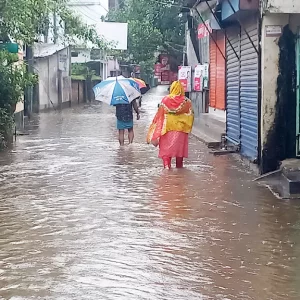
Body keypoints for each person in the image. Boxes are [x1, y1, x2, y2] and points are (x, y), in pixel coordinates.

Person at [147, 81, 194, 169]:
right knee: (179, 152)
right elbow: (191, 116)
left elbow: (159, 114)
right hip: (181, 129)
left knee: (166, 150)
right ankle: (179, 170)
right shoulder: (187, 101)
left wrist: (155, 128)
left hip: (167, 128)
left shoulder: (165, 100)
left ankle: (166, 169)